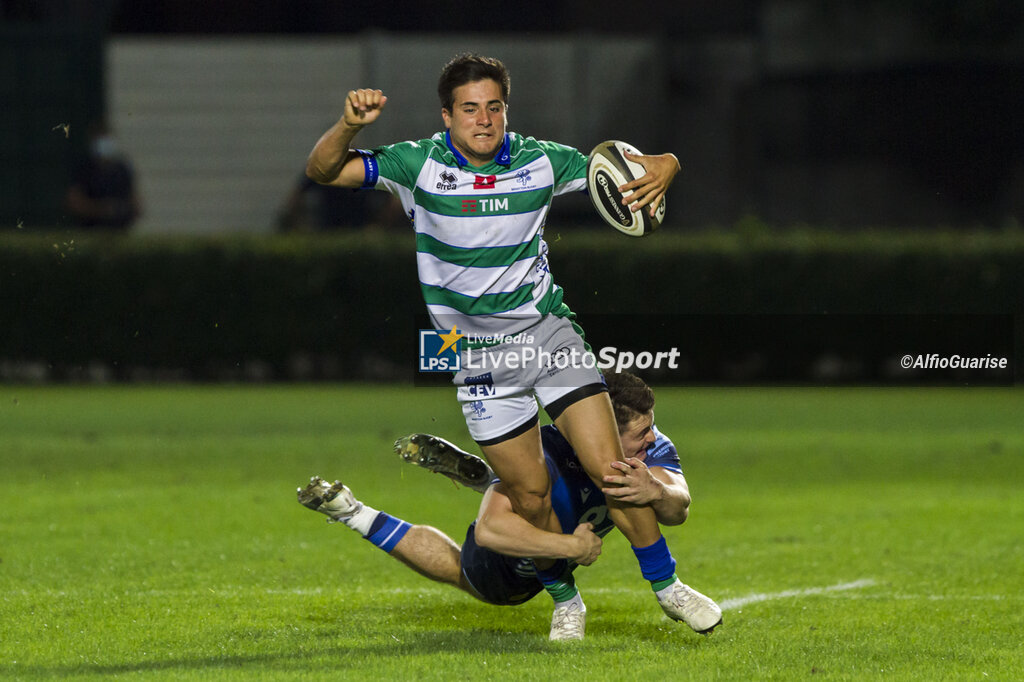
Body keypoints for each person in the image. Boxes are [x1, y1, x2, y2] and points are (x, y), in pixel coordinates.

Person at [304, 54, 685, 623]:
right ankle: (565, 600)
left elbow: (624, 168)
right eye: (469, 109)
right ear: (447, 115)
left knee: (611, 469)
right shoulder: (419, 164)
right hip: (473, 352)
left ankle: (668, 588)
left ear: (506, 110)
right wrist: (350, 127)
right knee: (528, 495)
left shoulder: (541, 160)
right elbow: (323, 170)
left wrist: (669, 164)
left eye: (494, 107)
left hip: (547, 332)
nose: (483, 119)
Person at [297, 372, 721, 641]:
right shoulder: (547, 451)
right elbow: (491, 532)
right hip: (522, 548)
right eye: (642, 432)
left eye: (652, 428)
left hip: (568, 516)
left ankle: (486, 479)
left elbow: (678, 508)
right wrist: (570, 549)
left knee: (629, 483)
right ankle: (353, 512)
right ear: (602, 429)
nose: (653, 439)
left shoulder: (653, 445)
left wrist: (657, 492)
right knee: (469, 574)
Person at [66, 123, 140, 230]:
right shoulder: (84, 169)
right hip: (90, 231)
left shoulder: (121, 169)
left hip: (119, 232)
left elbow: (136, 204)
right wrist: (101, 209)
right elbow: (74, 202)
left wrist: (122, 209)